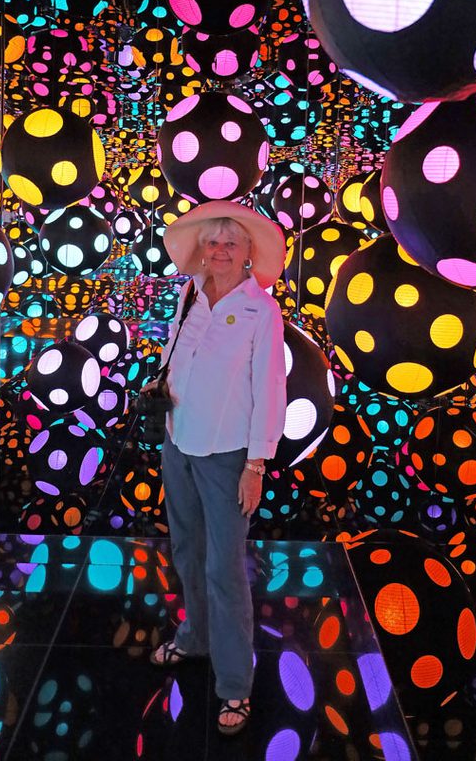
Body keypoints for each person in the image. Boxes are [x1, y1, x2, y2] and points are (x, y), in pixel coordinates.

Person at [147, 200, 287, 736]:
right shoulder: (189, 295)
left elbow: (270, 388)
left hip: (228, 455)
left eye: (232, 243)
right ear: (201, 249)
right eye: (213, 242)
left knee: (224, 569)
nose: (221, 251)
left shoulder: (262, 310)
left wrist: (257, 463)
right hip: (177, 442)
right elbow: (175, 356)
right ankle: (194, 639)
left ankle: (234, 685)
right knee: (187, 549)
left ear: (249, 253)